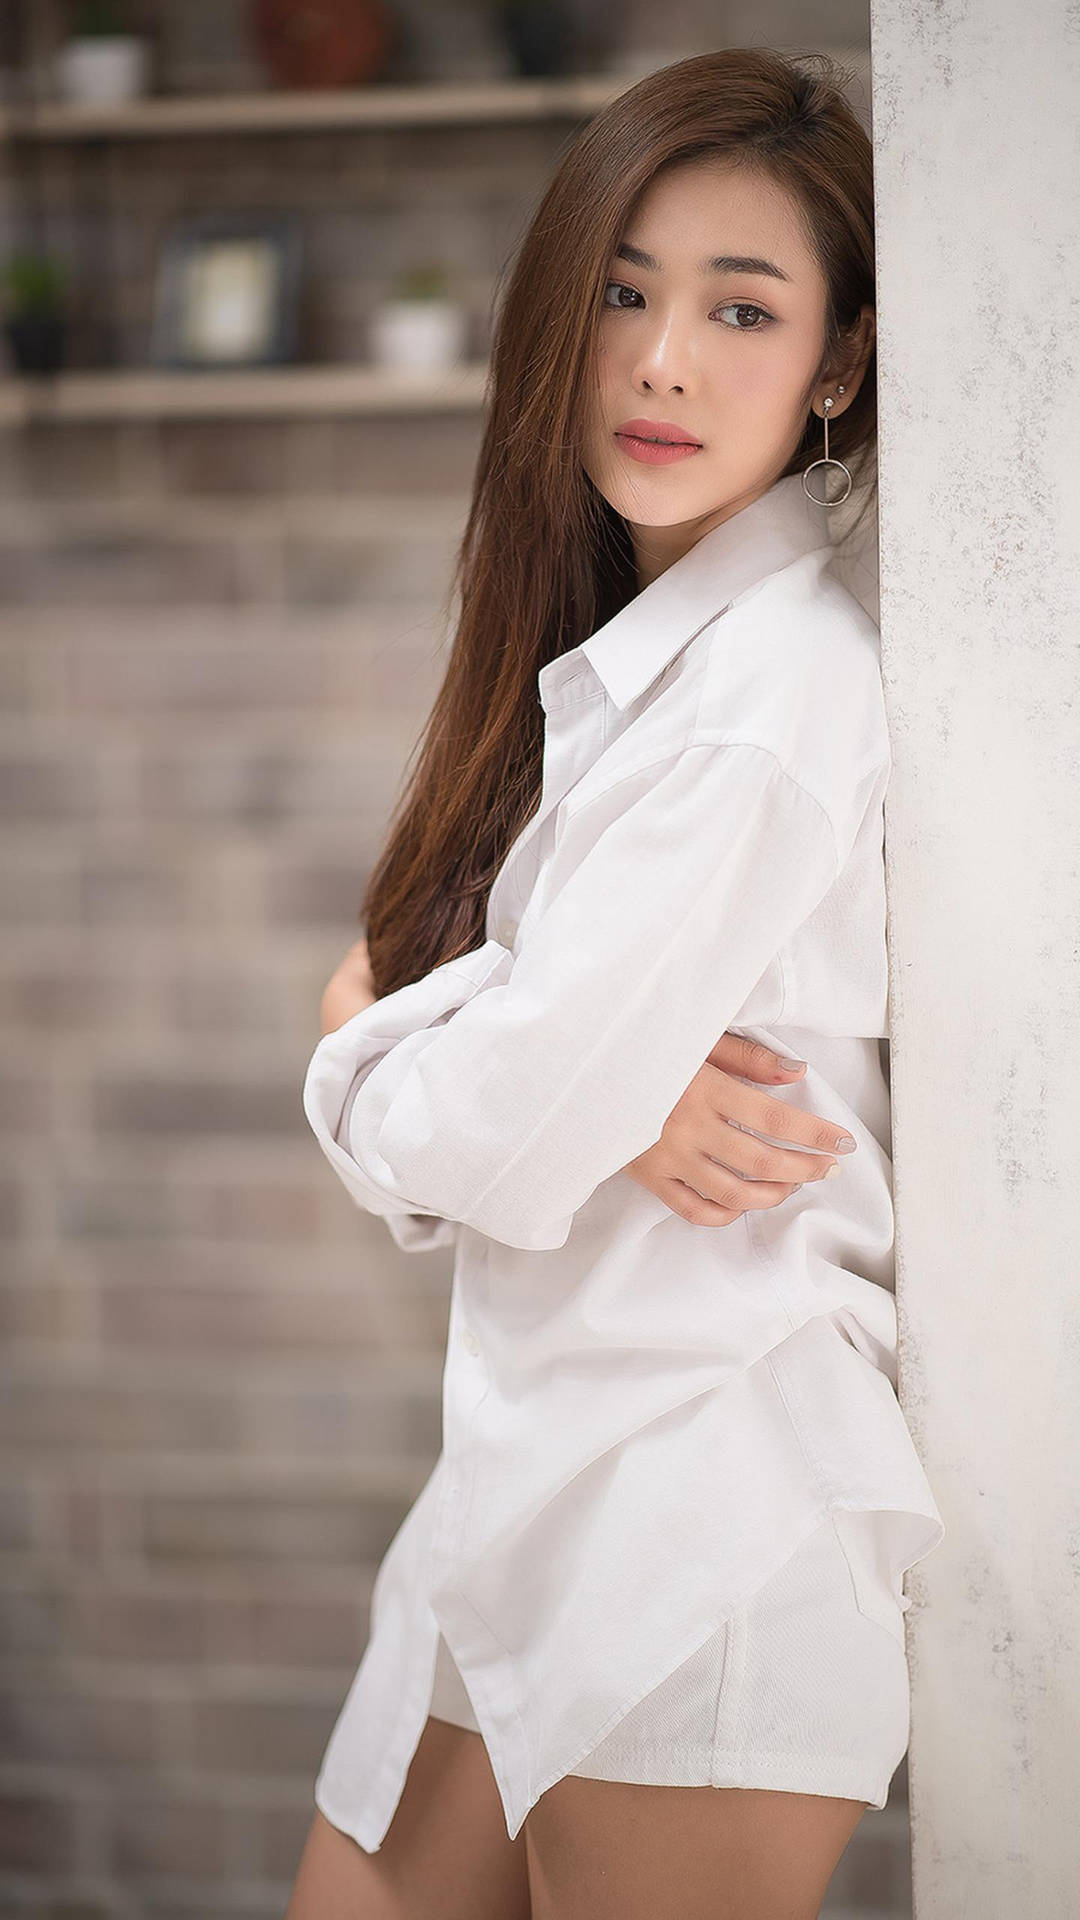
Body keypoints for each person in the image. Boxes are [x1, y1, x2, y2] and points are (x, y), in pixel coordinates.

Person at [286, 44, 945, 1920]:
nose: (661, 358)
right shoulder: (603, 658)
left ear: (838, 364)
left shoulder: (765, 697)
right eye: (624, 292)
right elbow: (473, 1057)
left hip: (699, 1503)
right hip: (514, 1491)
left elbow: (472, 1123)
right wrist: (577, 1078)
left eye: (744, 307)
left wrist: (387, 1050)